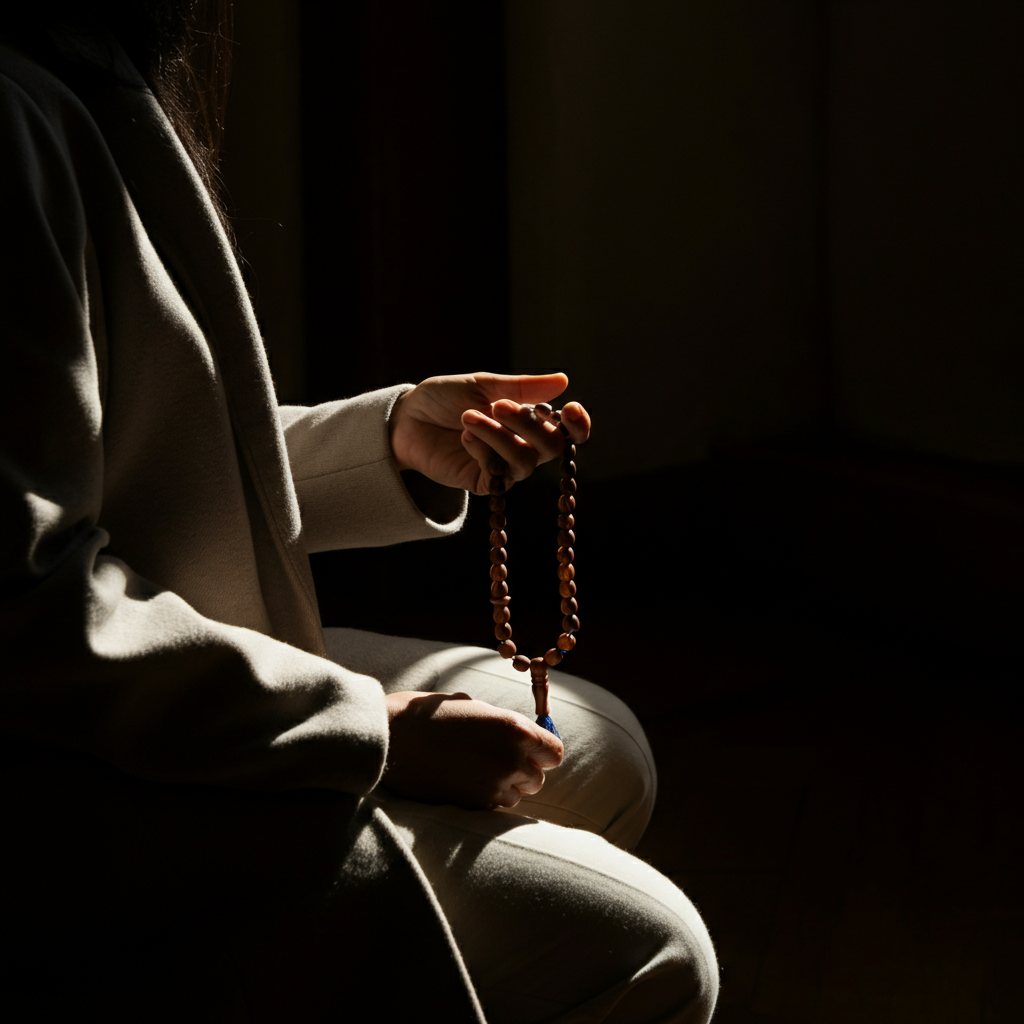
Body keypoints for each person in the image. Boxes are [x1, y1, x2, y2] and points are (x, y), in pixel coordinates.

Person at [0, 3, 718, 1021]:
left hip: (138, 684)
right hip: (59, 783)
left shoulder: (75, 63)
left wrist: (390, 443)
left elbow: (127, 464)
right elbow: (21, 615)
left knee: (603, 753)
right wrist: (373, 728)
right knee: (653, 952)